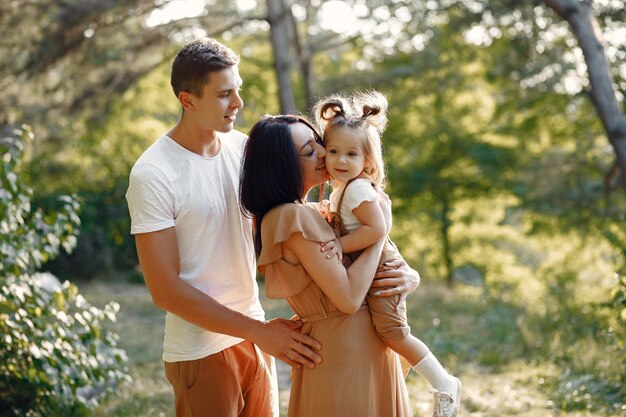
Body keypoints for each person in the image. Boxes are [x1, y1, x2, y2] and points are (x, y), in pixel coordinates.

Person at [125, 38, 326, 417]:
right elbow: (165, 291)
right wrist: (260, 332)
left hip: (255, 339)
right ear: (188, 100)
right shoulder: (153, 173)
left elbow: (292, 206)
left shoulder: (243, 148)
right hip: (202, 351)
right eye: (224, 94)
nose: (238, 103)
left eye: (238, 90)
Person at [239, 114, 421, 417]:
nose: (325, 153)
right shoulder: (293, 217)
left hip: (356, 347)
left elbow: (361, 268)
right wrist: (380, 234)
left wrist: (408, 275)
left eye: (320, 144)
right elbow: (349, 298)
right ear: (282, 165)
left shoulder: (315, 212)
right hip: (345, 356)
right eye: (311, 151)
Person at [313, 91, 462, 417]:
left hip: (381, 266)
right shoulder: (341, 190)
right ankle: (392, 389)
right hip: (370, 264)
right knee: (380, 333)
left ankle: (444, 383)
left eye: (351, 154)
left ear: (367, 160)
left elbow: (376, 230)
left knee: (393, 332)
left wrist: (339, 245)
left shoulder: (359, 189)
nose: (340, 160)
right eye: (334, 151)